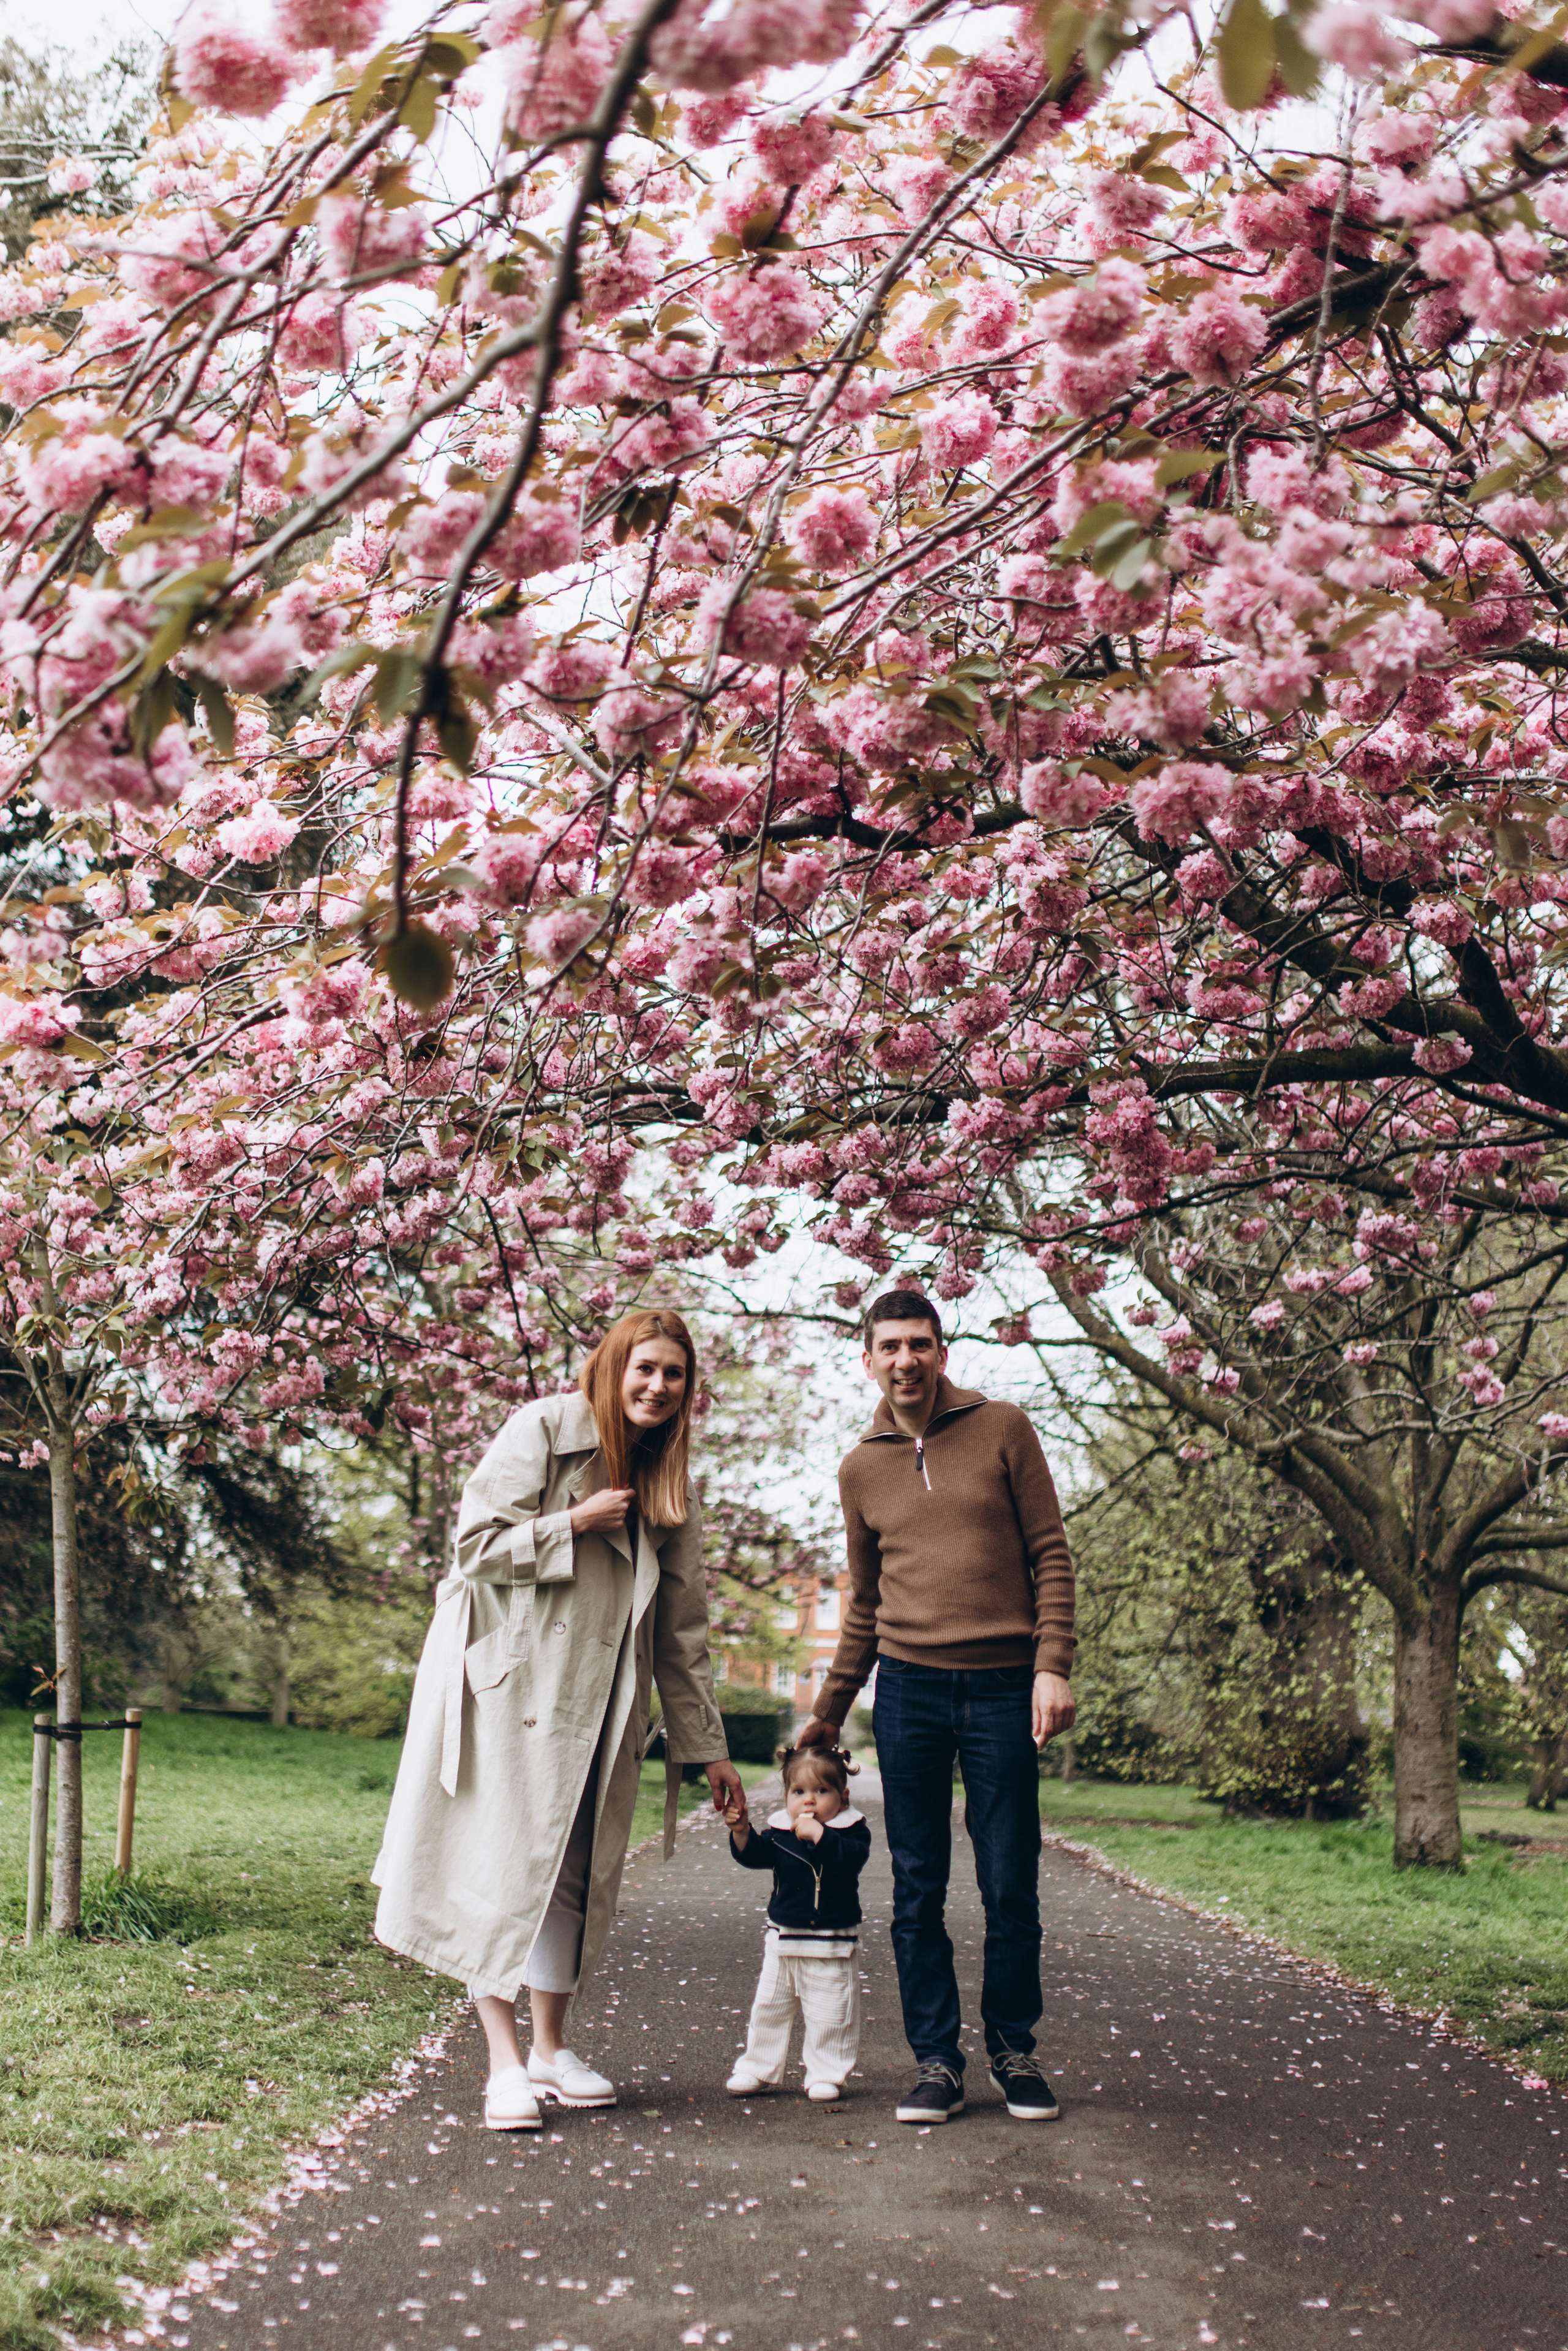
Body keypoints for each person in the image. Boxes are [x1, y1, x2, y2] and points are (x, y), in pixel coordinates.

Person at [373, 1309, 745, 2132]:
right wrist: (571, 1523)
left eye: (674, 1374)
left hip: (605, 1707)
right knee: (504, 1867)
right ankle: (503, 2063)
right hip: (512, 1690)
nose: (657, 1385)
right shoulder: (543, 1427)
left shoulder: (671, 1482)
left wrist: (707, 1747)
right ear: (613, 1366)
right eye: (644, 1367)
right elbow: (473, 1548)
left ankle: (550, 2046)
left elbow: (682, 1628)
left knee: (572, 1874)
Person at [795, 1288, 1076, 2127]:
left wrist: (1050, 1664)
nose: (906, 1359)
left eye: (920, 1343)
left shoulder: (1003, 1428)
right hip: (909, 1688)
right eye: (889, 1346)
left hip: (1000, 1687)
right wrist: (830, 1705)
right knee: (917, 1886)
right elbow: (866, 1602)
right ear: (869, 1357)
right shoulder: (859, 1467)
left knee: (1008, 1880)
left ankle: (1014, 2050)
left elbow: (1051, 1555)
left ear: (942, 1351)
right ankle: (937, 2061)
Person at [721, 1743, 871, 2102]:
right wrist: (742, 1831)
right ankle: (757, 2067)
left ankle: (826, 2074)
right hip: (783, 1939)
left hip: (831, 1943)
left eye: (822, 1791)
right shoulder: (780, 1831)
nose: (809, 1802)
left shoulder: (851, 1831)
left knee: (831, 2013)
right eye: (799, 1792)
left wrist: (821, 1836)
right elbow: (756, 1856)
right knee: (769, 2008)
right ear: (786, 1795)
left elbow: (849, 1862)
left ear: (843, 1796)